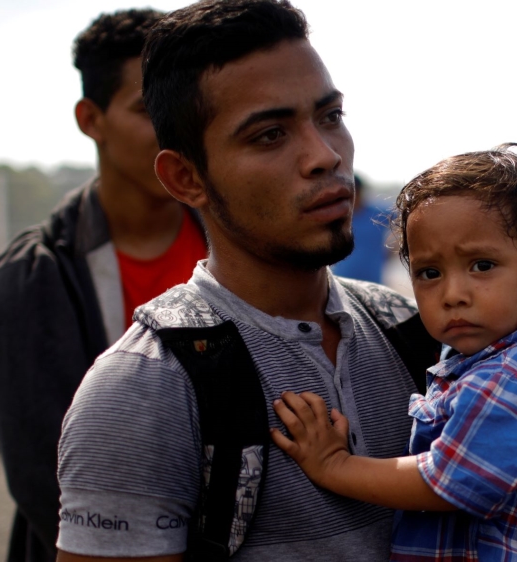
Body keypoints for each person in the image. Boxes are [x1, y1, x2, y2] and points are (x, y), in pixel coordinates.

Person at [54, 1, 435, 560]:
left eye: (330, 116)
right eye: (269, 135)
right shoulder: (143, 389)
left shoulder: (416, 333)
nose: (325, 156)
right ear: (186, 178)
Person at [271, 143, 517, 561]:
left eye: (482, 265)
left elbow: (447, 483)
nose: (453, 295)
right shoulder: (480, 357)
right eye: (429, 273)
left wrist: (334, 466)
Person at [0, 9, 209, 562]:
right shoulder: (35, 273)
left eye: (183, 108)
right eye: (147, 109)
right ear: (91, 118)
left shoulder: (235, 241)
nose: (173, 129)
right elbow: (46, 477)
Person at [332, 175, 392, 283]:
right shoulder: (337, 215)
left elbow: (405, 222)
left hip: (372, 279)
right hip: (343, 278)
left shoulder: (378, 213)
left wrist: (393, 246)